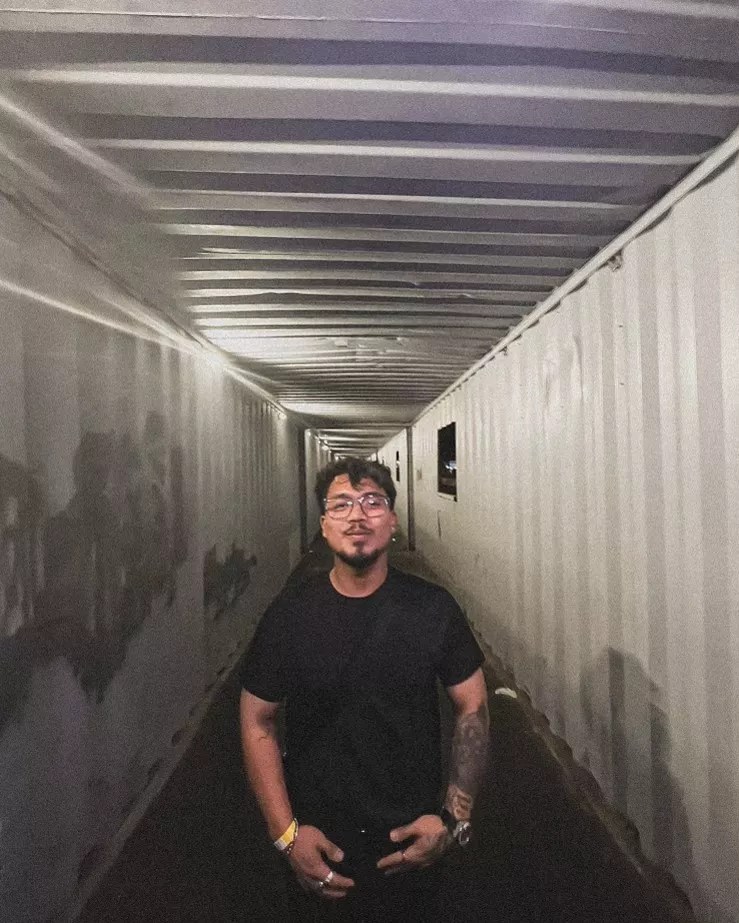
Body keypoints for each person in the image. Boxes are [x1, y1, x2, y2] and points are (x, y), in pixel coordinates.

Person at [240, 457, 489, 921]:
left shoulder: (433, 609)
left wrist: (454, 821)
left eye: (373, 502)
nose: (357, 515)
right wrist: (287, 836)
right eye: (341, 504)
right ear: (324, 525)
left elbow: (472, 706)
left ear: (392, 521)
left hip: (412, 839)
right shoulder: (290, 614)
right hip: (319, 842)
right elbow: (258, 720)